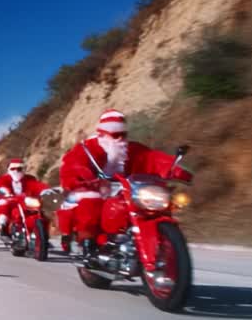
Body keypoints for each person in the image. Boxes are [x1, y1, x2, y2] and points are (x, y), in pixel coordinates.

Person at [58, 109, 192, 257]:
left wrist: (175, 170)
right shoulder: (88, 148)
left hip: (128, 188)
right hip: (97, 187)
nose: (120, 139)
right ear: (103, 133)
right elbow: (74, 164)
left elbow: (152, 158)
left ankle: (152, 242)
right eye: (116, 135)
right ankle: (88, 244)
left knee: (154, 206)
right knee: (90, 203)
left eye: (123, 134)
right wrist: (85, 178)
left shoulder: (133, 149)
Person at [0, 158, 48, 242]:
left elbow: (37, 185)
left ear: (23, 169)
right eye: (13, 169)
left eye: (19, 168)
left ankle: (43, 237)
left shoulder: (29, 179)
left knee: (40, 214)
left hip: (26, 201)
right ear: (9, 169)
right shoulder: (4, 179)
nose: (16, 171)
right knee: (3, 206)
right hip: (11, 200)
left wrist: (46, 190)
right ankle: (4, 229)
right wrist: (4, 192)